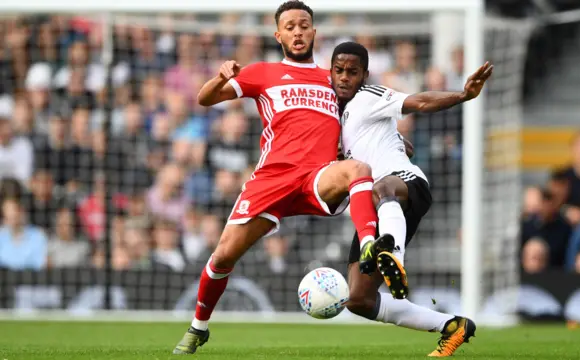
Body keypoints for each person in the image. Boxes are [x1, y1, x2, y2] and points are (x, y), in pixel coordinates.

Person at [173, 2, 385, 354]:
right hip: (272, 179)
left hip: (318, 175)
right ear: (279, 35)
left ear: (314, 33)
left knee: (358, 169)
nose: (298, 31)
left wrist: (393, 140)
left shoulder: (334, 79)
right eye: (290, 27)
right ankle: (199, 326)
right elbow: (204, 98)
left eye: (304, 25)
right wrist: (221, 77)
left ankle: (368, 245)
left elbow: (362, 122)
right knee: (223, 257)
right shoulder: (263, 73)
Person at [329, 41, 492, 357]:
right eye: (339, 70)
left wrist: (462, 94)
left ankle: (395, 260)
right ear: (331, 72)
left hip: (405, 185)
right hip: (372, 210)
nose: (344, 77)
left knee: (380, 186)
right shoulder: (334, 117)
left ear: (364, 75)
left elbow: (418, 101)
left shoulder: (368, 96)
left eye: (352, 72)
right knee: (358, 299)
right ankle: (453, 326)